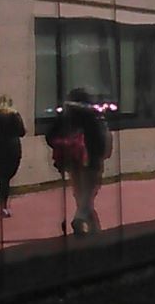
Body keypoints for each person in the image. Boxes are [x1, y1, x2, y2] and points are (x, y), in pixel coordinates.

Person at [46, 87, 113, 236]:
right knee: (89, 192)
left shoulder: (66, 116)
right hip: (90, 159)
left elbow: (50, 135)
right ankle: (80, 218)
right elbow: (100, 139)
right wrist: (101, 154)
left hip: (72, 159)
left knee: (80, 192)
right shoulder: (93, 116)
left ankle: (93, 228)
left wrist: (64, 144)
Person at [0, 95, 25, 218]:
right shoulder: (14, 115)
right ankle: (3, 207)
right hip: (11, 149)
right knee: (5, 178)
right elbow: (22, 132)